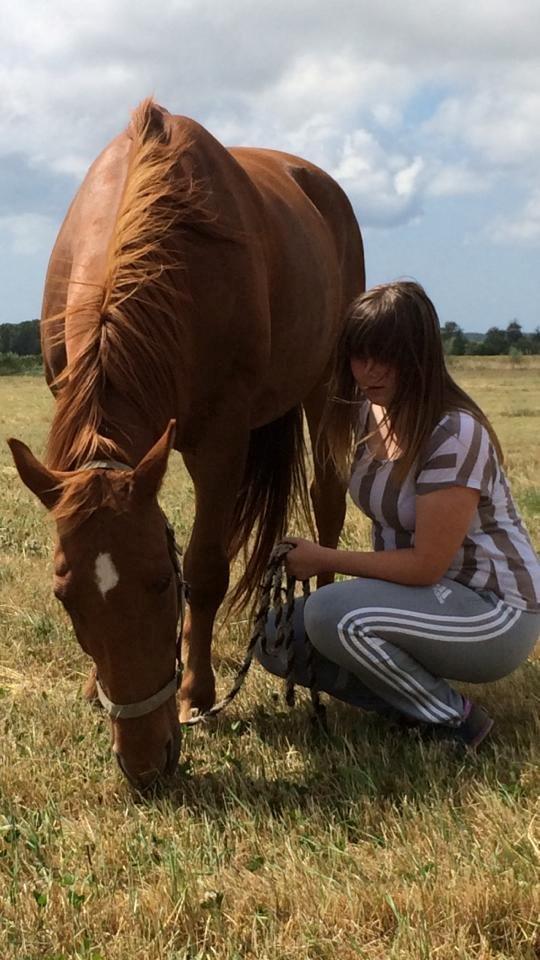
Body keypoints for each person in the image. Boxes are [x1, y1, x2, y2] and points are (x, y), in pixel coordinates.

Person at [256, 280, 540, 747]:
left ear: (419, 355)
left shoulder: (453, 432)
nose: (368, 371)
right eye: (358, 355)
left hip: (492, 611)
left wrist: (325, 558)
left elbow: (426, 564)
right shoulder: (370, 415)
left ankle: (456, 721)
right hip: (423, 598)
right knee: (276, 636)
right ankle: (412, 706)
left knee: (332, 614)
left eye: (385, 355)